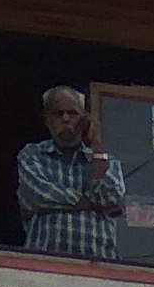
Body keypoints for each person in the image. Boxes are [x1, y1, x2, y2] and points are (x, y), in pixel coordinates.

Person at [17, 86, 127, 262]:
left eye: (72, 113)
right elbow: (39, 195)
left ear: (84, 119)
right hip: (44, 265)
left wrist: (96, 145)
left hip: (100, 268)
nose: (66, 118)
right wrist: (91, 204)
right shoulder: (32, 155)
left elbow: (113, 198)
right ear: (46, 120)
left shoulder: (106, 160)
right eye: (58, 114)